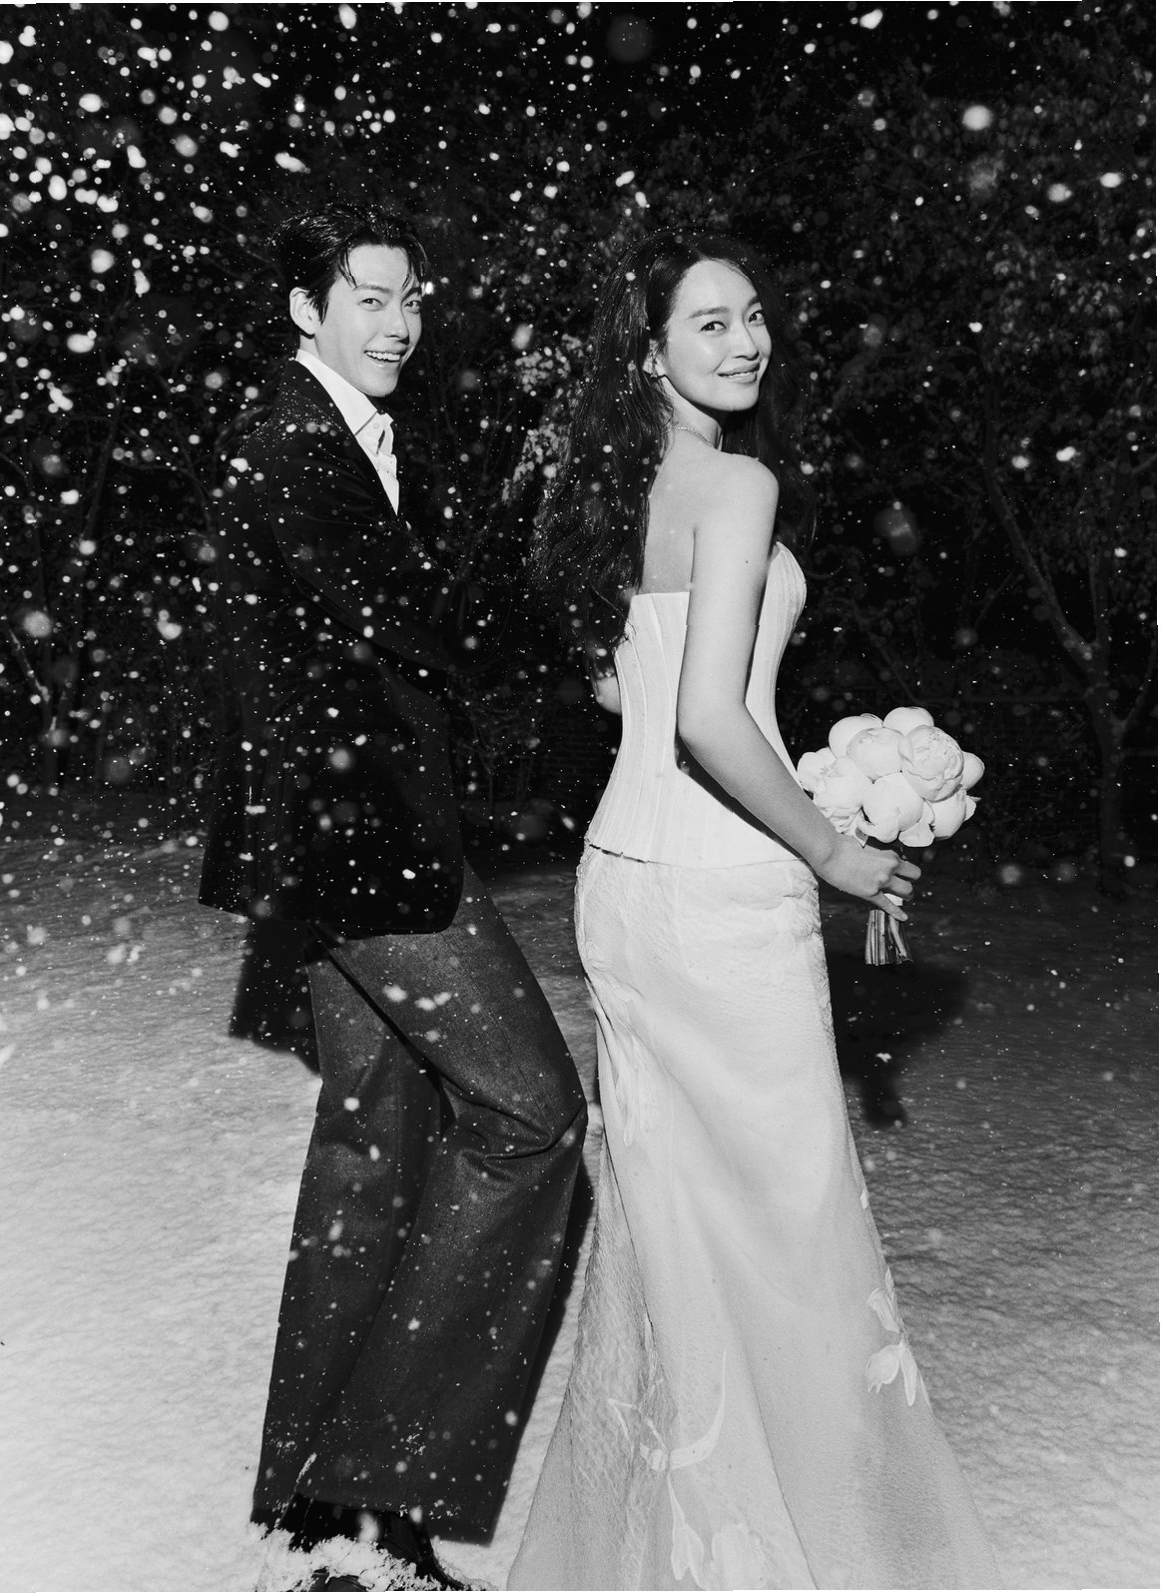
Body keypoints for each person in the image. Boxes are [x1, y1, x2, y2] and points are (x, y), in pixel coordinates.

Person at [508, 232, 999, 1590]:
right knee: (791, 1224)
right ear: (648, 350)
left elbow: (621, 691)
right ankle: (816, 1546)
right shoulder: (737, 484)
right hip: (722, 893)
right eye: (708, 321)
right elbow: (711, 719)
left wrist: (815, 773)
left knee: (670, 1229)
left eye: (754, 315)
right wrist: (834, 846)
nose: (745, 341)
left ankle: (682, 1547)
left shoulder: (617, 492)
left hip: (624, 885)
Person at [197, 199, 587, 1593]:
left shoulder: (347, 433)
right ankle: (377, 1480)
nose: (401, 322)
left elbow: (393, 622)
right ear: (306, 309)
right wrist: (580, 617)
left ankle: (320, 1503)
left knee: (375, 1137)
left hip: (334, 843)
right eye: (369, 296)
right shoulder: (293, 443)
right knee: (533, 1116)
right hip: (359, 849)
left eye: (412, 297)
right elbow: (414, 619)